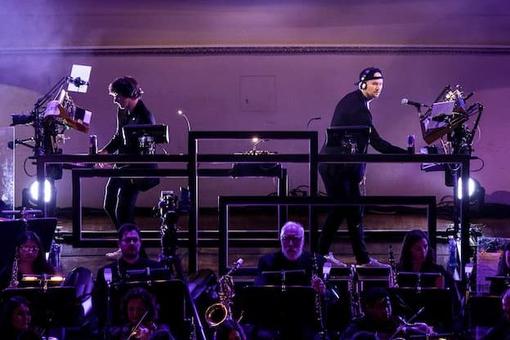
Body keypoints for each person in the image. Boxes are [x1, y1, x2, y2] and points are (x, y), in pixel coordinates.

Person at [318, 67, 406, 266]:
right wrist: (406, 154)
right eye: (375, 84)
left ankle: (326, 255)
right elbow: (377, 143)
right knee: (348, 210)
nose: (378, 88)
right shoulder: (359, 109)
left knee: (346, 211)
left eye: (381, 84)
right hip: (337, 168)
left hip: (338, 167)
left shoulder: (354, 100)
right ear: (363, 84)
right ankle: (356, 258)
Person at [99, 76, 159, 230]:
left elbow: (143, 152)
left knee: (123, 211)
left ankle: (133, 247)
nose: (115, 100)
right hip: (123, 166)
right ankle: (125, 242)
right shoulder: (123, 111)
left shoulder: (145, 117)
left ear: (129, 94)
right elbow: (119, 136)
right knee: (109, 204)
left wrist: (112, 161)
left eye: (117, 96)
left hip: (137, 171)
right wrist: (106, 151)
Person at [251, 221, 326, 340]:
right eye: (286, 238)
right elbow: (258, 294)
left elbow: (330, 296)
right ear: (280, 239)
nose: (291, 244)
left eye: (295, 239)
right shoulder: (267, 262)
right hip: (275, 321)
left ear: (303, 240)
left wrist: (322, 290)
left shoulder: (316, 261)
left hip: (306, 321)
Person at [93, 224, 168, 326]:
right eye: (128, 240)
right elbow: (98, 305)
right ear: (119, 244)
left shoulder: (156, 269)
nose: (132, 243)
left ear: (140, 243)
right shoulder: (105, 272)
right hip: (117, 327)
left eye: (135, 240)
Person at [341, 288, 433, 340]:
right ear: (369, 308)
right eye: (381, 307)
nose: (386, 310)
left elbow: (407, 328)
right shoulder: (358, 325)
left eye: (388, 306)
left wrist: (419, 329)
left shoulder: (395, 321)